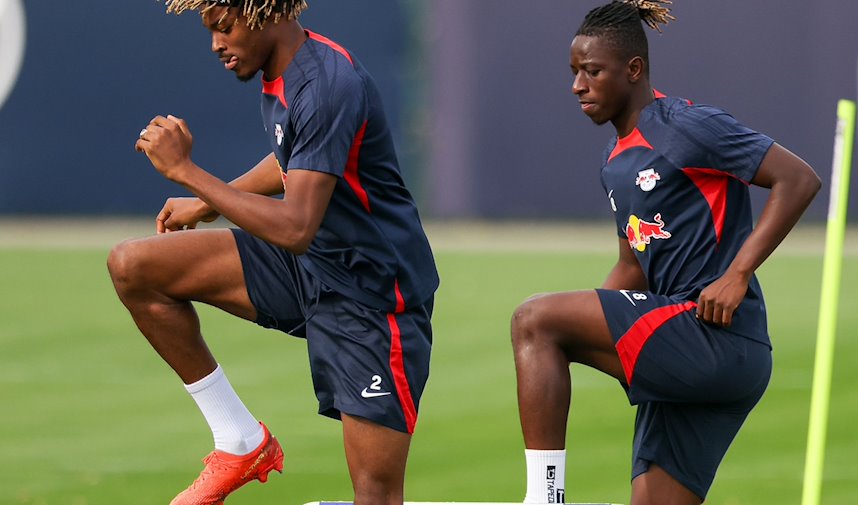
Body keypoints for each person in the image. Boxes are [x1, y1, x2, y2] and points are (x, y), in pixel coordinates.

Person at [107, 1, 439, 504]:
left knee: (374, 494)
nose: (216, 44)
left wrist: (189, 174)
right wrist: (205, 202)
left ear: (265, 15)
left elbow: (296, 226)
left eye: (225, 27)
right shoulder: (288, 71)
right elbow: (295, 156)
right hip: (310, 267)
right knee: (135, 267)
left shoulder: (328, 84)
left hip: (373, 298)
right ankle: (240, 441)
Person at [510, 1, 821, 504]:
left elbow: (799, 178)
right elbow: (632, 269)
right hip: (689, 342)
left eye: (592, 72)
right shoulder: (614, 163)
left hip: (717, 337)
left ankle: (546, 498)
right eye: (573, 73)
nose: (578, 86)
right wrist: (590, 330)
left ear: (633, 69)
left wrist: (739, 273)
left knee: (533, 320)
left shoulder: (684, 125)